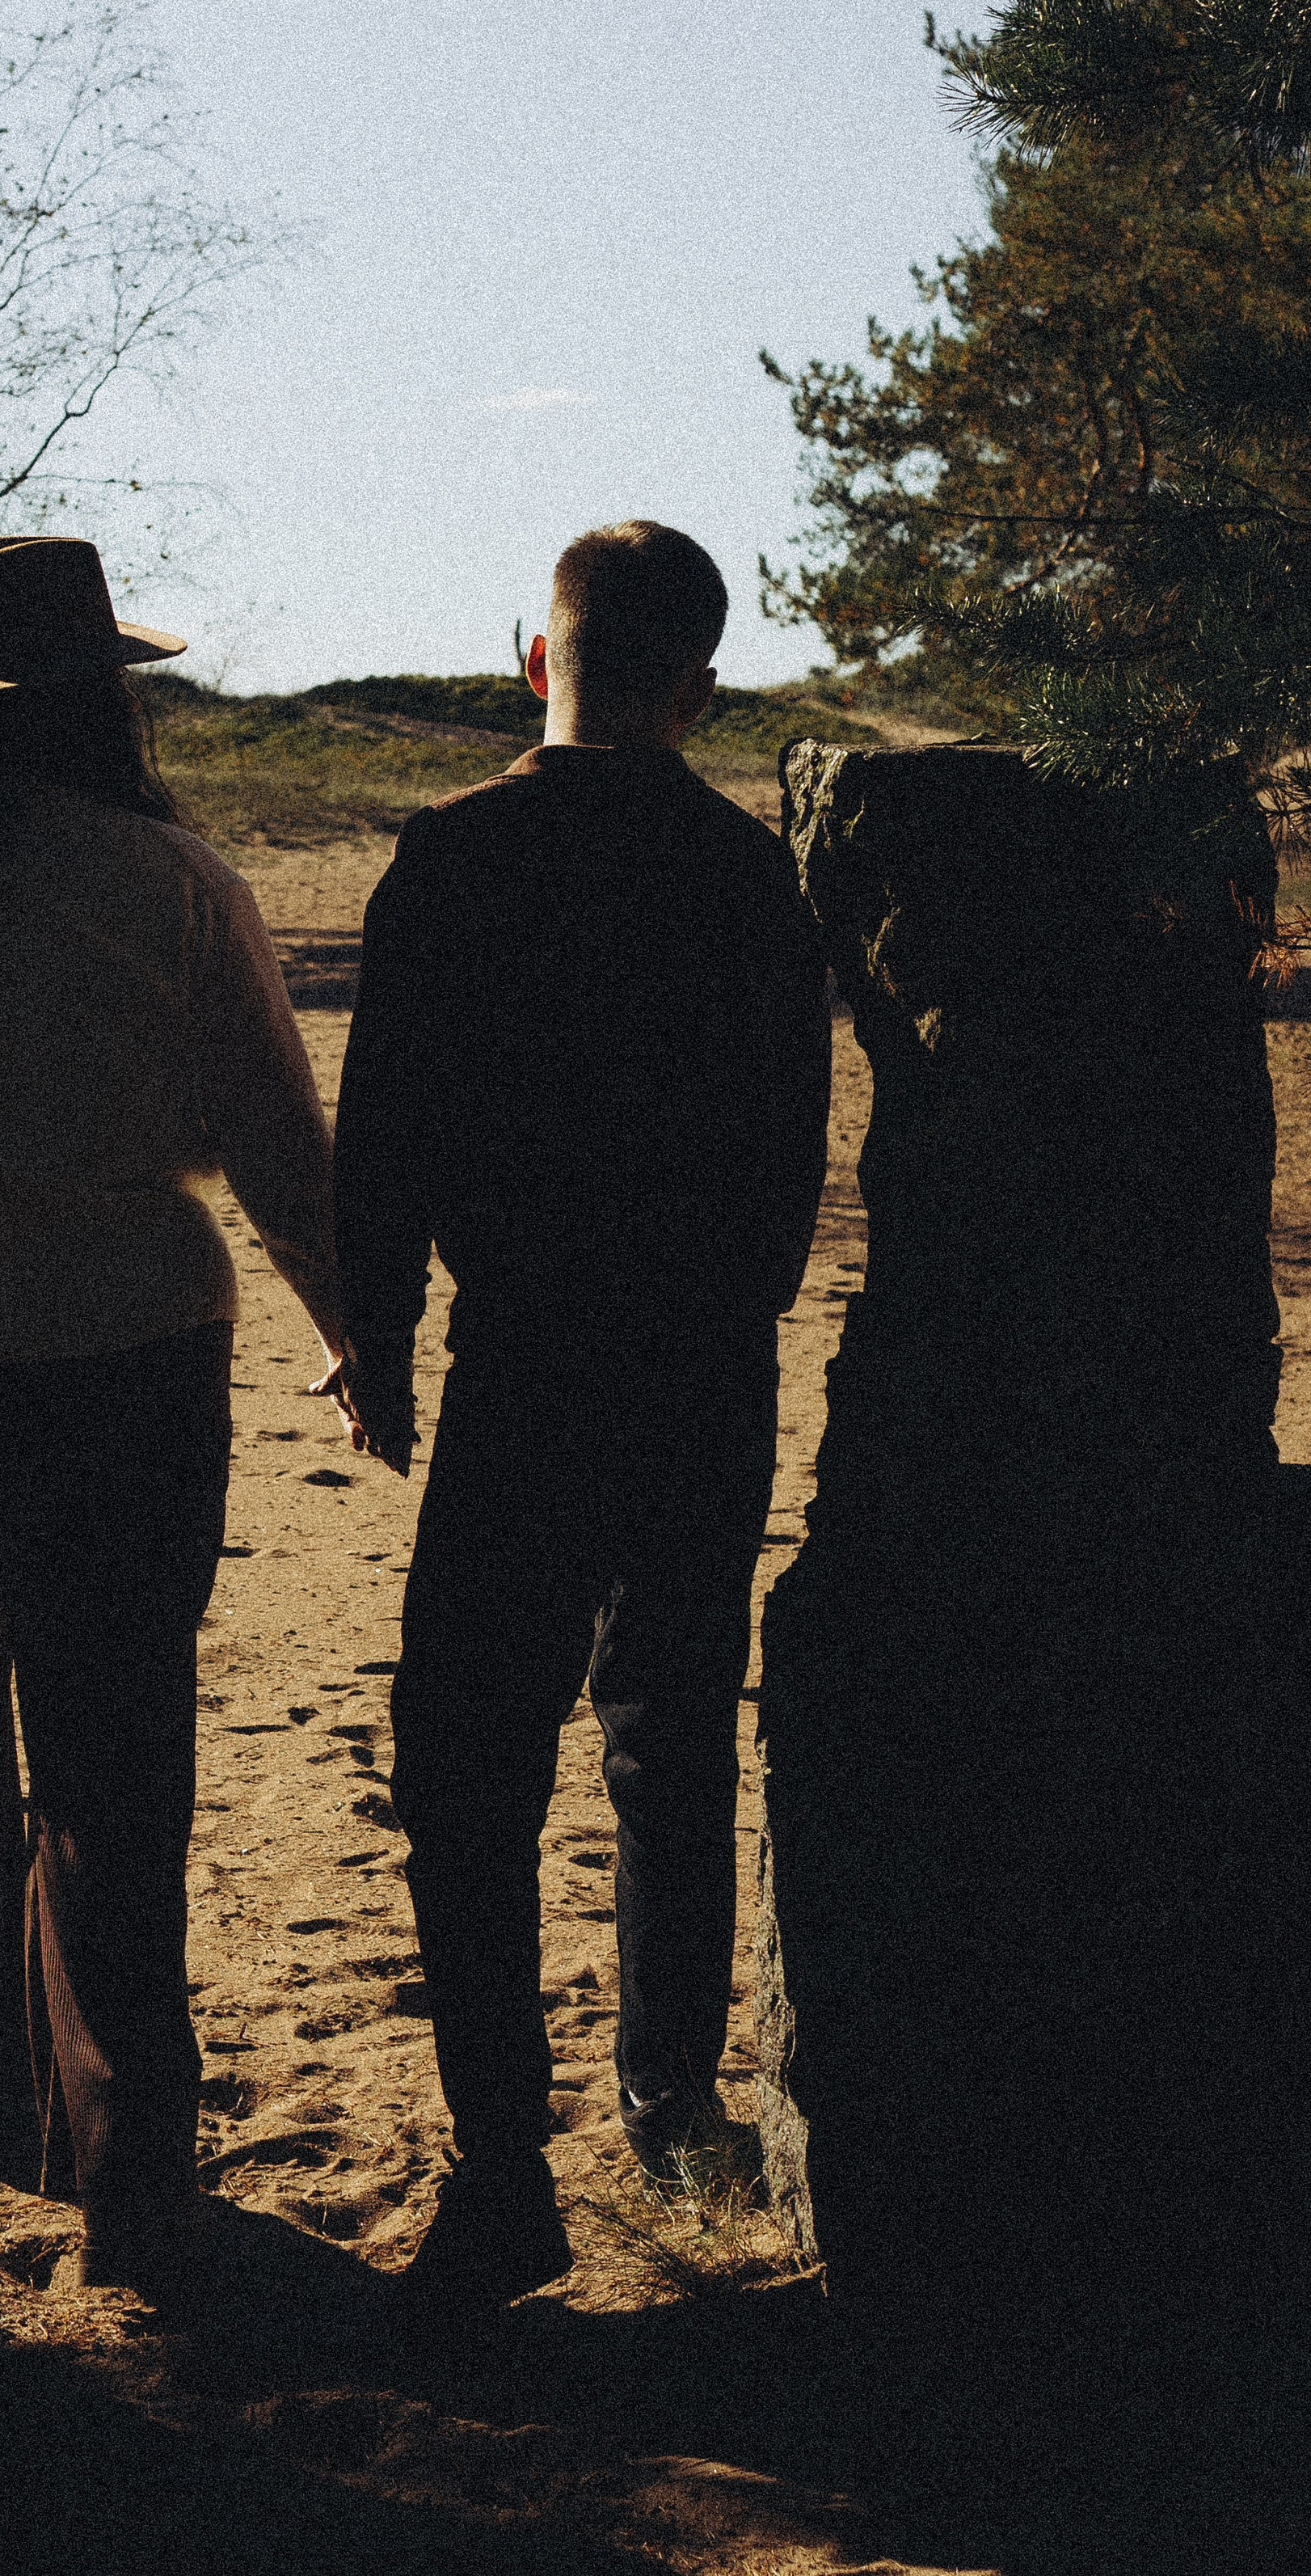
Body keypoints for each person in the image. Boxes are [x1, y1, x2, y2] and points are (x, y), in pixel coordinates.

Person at [0, 535, 348, 2295]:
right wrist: (362, 1334)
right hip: (126, 1352)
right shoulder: (172, 882)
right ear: (106, 691)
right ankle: (123, 2147)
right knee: (115, 1753)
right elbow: (269, 1135)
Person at [324, 520, 830, 2314]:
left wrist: (375, 1334)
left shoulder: (450, 862)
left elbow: (382, 1136)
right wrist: (732, 1311)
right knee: (669, 1733)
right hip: (699, 1363)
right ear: (697, 683)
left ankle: (497, 2155)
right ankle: (666, 2099)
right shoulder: (745, 876)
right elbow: (786, 1157)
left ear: (526, 659)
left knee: (466, 1754)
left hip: (521, 1361)